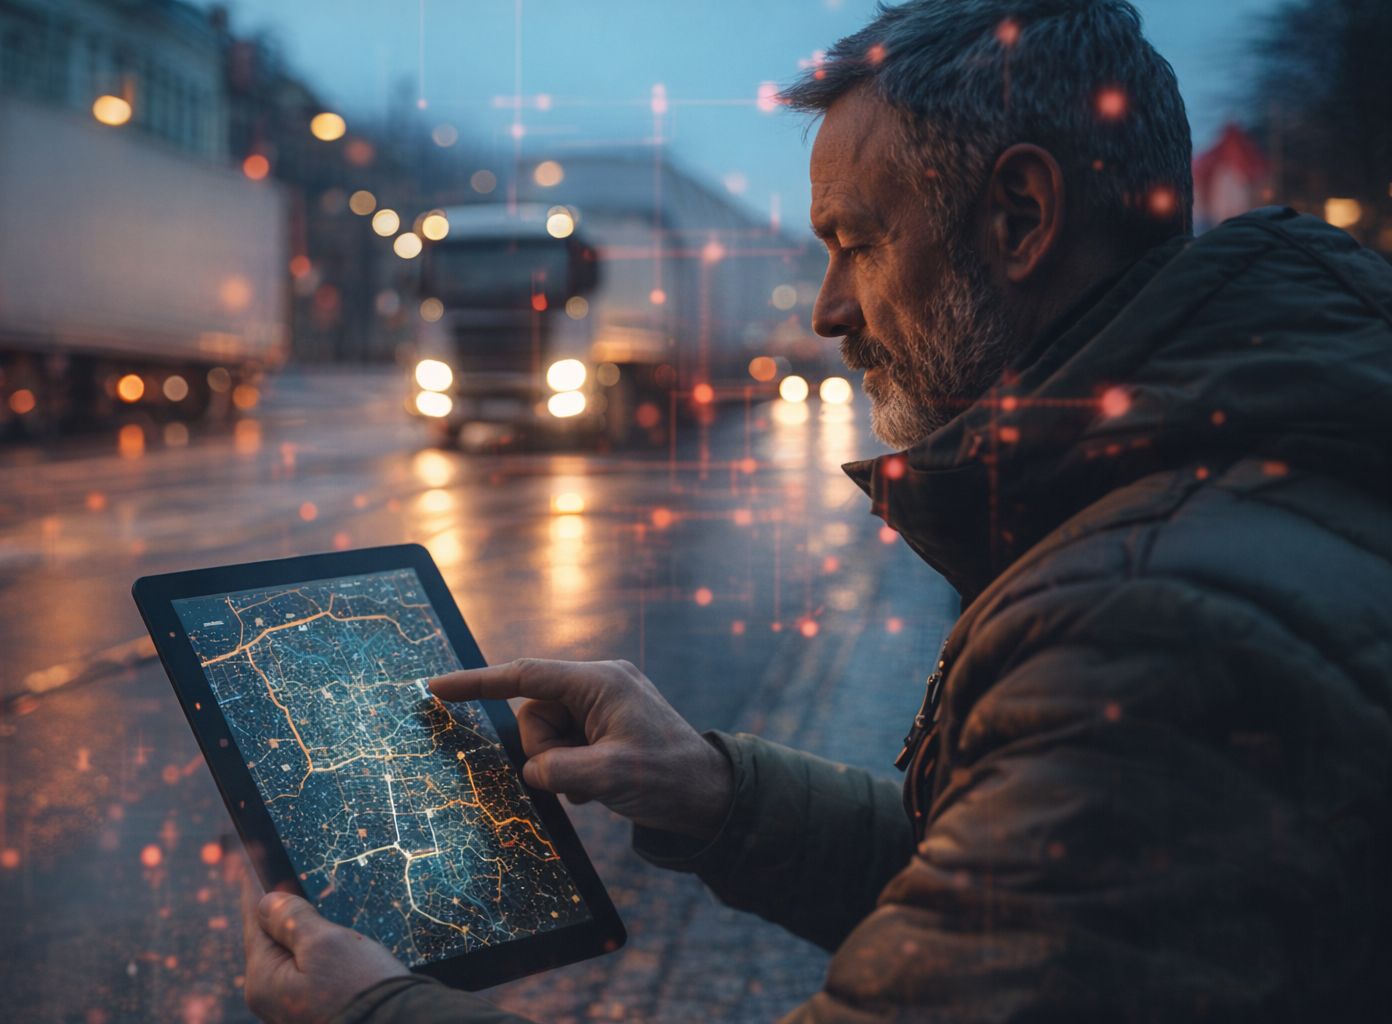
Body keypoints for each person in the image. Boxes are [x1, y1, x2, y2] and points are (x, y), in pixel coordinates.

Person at [241, 0, 1392, 1019]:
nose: (827, 310)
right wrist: (718, 792)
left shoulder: (1150, 623)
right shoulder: (1205, 492)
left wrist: (379, 1011)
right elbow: (1017, 896)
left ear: (1021, 215)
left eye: (857, 243)